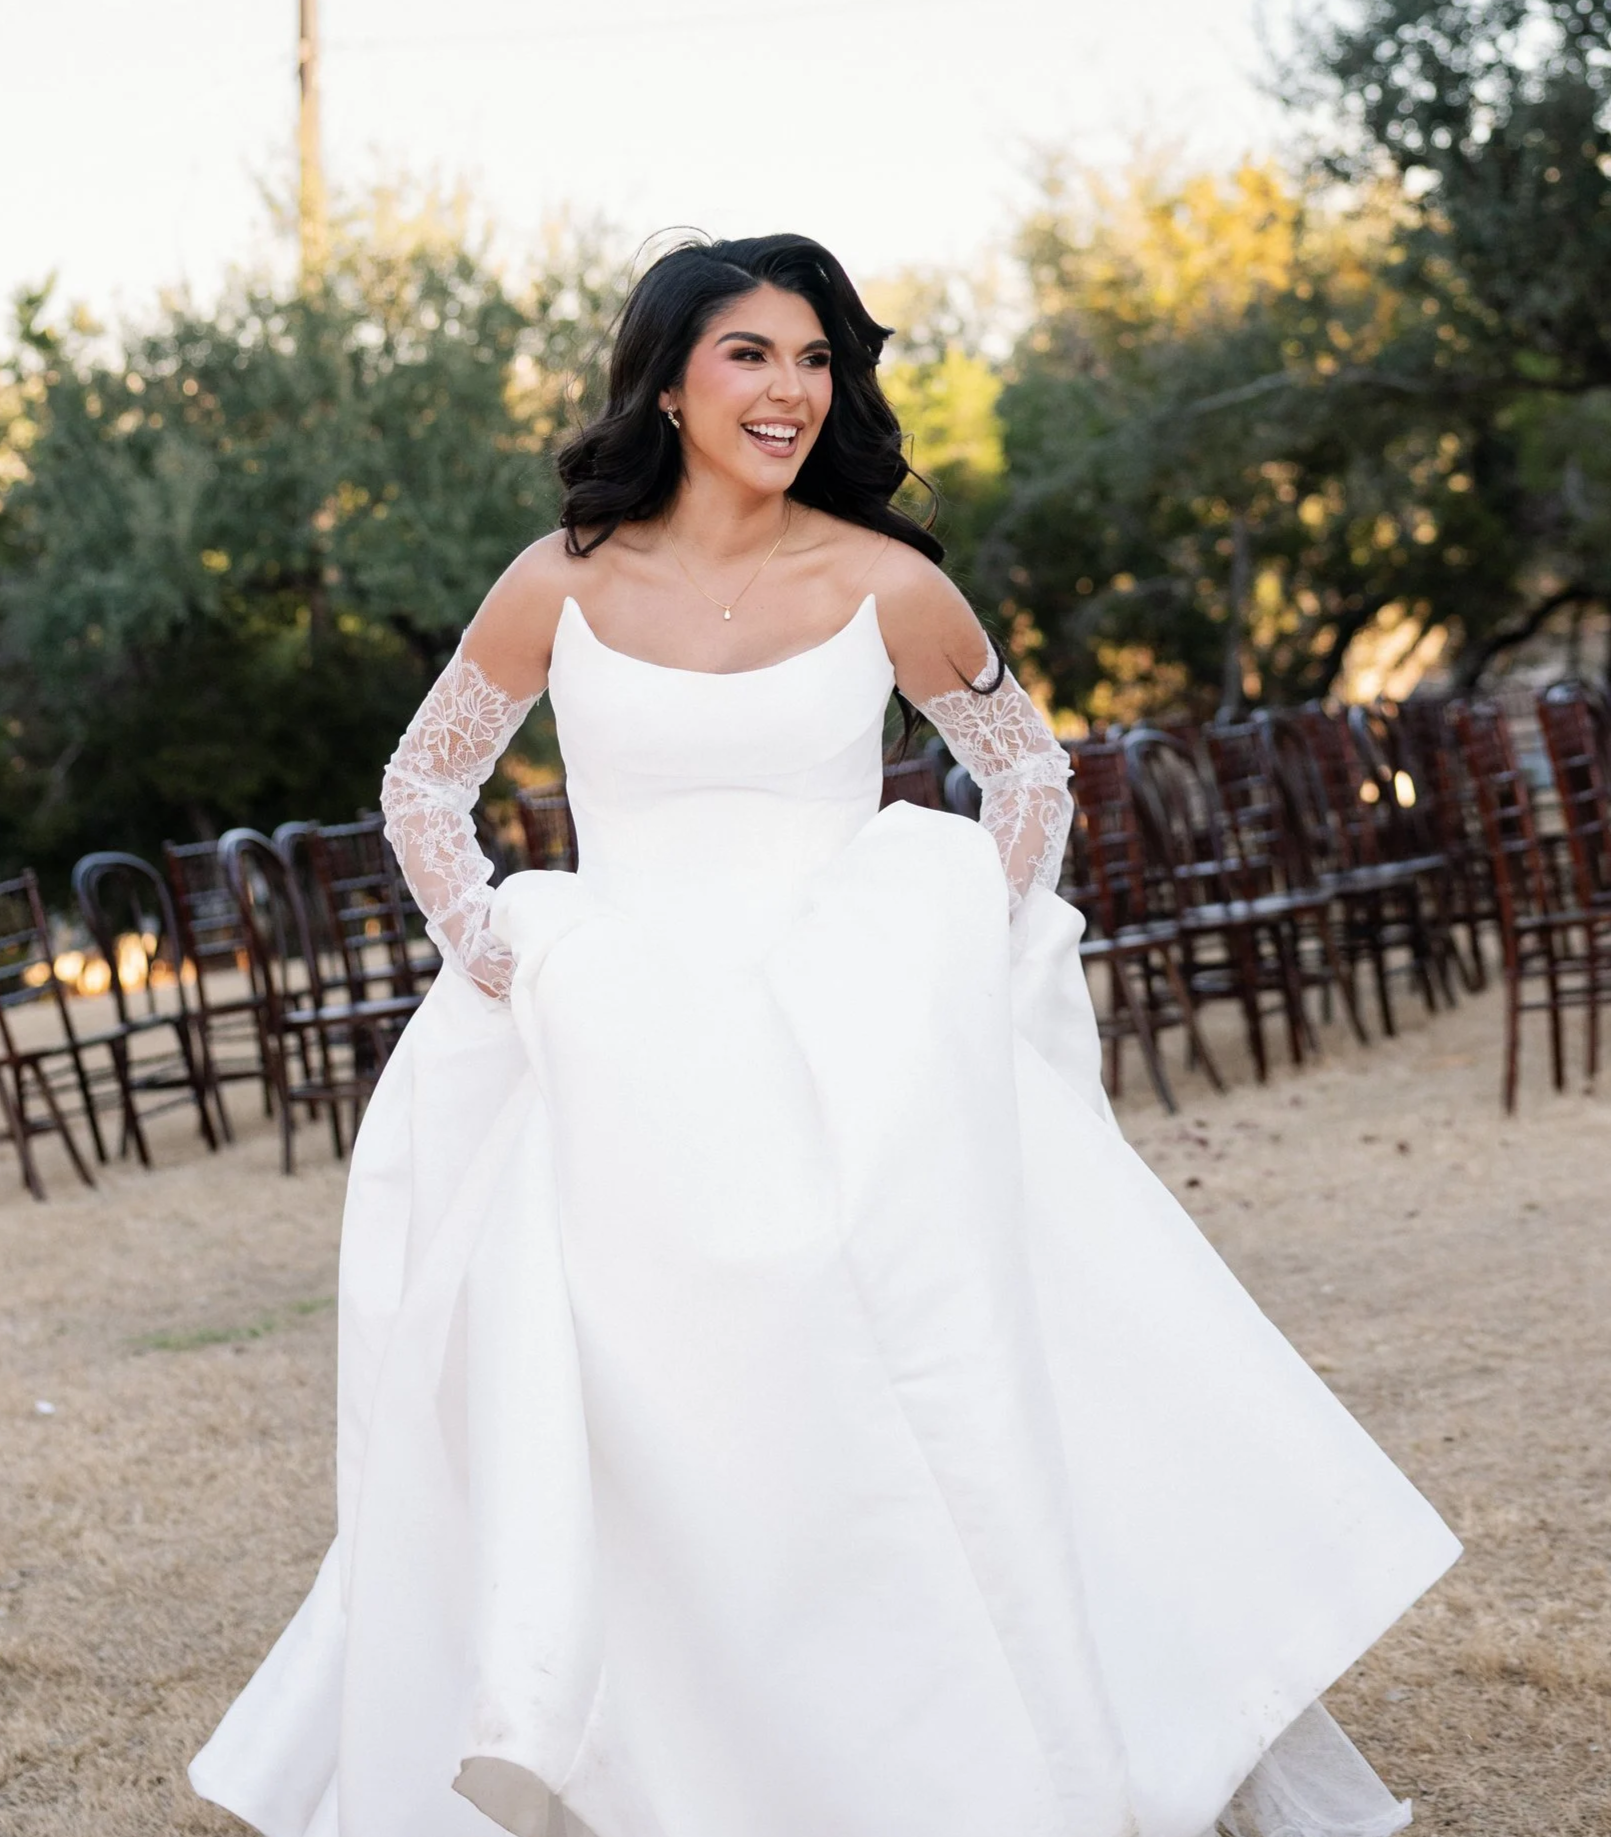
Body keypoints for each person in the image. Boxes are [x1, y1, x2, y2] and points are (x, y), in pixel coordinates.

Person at [191, 233, 1459, 1837]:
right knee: (619, 1388)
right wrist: (495, 942)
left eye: (814, 361)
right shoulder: (560, 580)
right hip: (625, 1043)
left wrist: (945, 955)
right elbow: (420, 782)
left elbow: (1030, 777)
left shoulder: (886, 582)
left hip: (841, 1039)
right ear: (667, 378)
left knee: (890, 1363)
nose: (790, 391)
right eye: (751, 355)